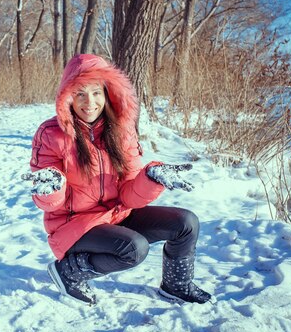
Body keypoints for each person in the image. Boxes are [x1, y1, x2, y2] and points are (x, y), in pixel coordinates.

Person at [22, 54, 212, 305]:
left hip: (117, 214)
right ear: (68, 96)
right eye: (80, 93)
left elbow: (129, 196)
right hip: (74, 224)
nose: (89, 102)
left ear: (107, 93)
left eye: (96, 92)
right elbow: (50, 203)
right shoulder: (51, 134)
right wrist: (50, 188)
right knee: (134, 249)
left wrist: (151, 178)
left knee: (186, 222)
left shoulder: (122, 131)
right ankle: (69, 273)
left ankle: (176, 285)